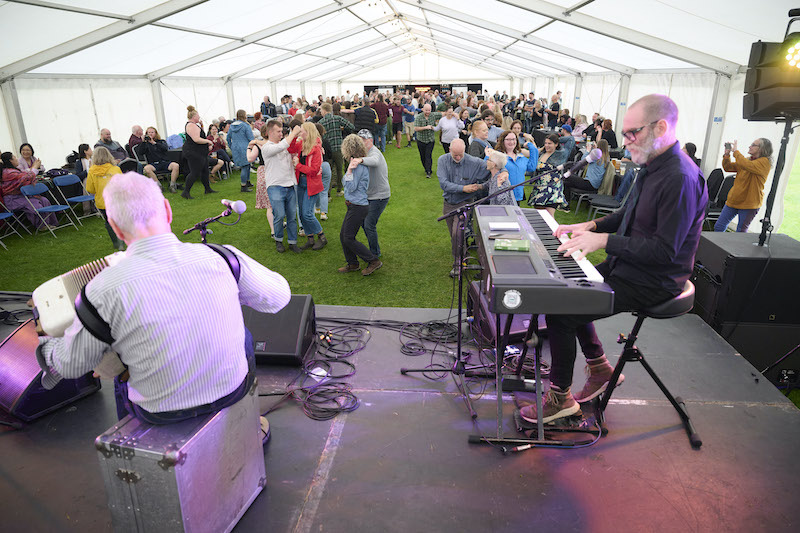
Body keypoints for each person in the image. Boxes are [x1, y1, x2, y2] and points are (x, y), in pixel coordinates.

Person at [36, 171, 290, 434]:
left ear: (114, 225)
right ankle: (247, 427)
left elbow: (70, 365)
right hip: (232, 390)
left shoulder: (99, 290)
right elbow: (279, 297)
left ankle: (134, 439)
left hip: (160, 412)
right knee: (244, 336)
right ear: (167, 210)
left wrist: (47, 347)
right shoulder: (223, 257)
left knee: (112, 360)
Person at [520, 94, 708, 424]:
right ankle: (600, 368)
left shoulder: (679, 178)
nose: (625, 141)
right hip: (631, 267)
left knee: (562, 311)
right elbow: (628, 214)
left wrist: (602, 240)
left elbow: (665, 251)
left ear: (660, 127)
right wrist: (590, 224)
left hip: (654, 279)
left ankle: (559, 399)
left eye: (632, 132)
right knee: (572, 289)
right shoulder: (652, 165)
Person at [436, 139, 490, 276]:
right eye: (455, 155)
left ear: (465, 150)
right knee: (454, 236)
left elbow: (494, 167)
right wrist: (463, 188)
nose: (458, 158)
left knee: (457, 233)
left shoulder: (474, 162)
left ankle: (458, 265)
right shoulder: (442, 160)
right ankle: (463, 256)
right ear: (449, 150)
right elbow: (444, 184)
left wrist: (483, 186)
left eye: (461, 154)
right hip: (448, 203)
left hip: (465, 203)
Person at [248, 121, 302, 253]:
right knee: (279, 215)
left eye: (282, 131)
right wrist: (294, 133)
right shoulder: (266, 147)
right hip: (275, 186)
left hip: (289, 184)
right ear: (270, 133)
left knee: (291, 216)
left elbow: (292, 148)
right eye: (278, 131)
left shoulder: (284, 144)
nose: (281, 133)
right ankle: (278, 240)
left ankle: (292, 242)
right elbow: (282, 146)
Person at [337, 134, 382, 276]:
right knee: (343, 235)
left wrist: (349, 171)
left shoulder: (356, 166)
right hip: (355, 205)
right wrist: (347, 175)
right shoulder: (356, 162)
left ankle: (373, 260)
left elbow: (350, 187)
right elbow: (347, 184)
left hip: (357, 206)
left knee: (348, 237)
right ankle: (353, 263)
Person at [714, 138, 772, 233]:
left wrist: (736, 151)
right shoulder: (747, 160)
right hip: (734, 200)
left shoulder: (764, 162)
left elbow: (746, 165)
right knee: (719, 226)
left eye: (753, 145)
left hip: (749, 204)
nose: (750, 146)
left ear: (762, 148)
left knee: (741, 233)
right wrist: (727, 155)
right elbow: (728, 167)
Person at [350, 129, 390, 258]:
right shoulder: (364, 153)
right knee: (364, 223)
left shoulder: (374, 152)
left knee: (369, 224)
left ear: (370, 141)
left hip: (379, 196)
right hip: (369, 196)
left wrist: (360, 160)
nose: (360, 143)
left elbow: (375, 161)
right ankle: (374, 250)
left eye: (363, 140)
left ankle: (374, 254)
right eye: (359, 141)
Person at [288, 122, 327, 251]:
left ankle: (321, 236)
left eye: (302, 130)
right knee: (302, 214)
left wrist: (298, 165)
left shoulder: (316, 149)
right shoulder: (302, 144)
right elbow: (290, 149)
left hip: (312, 184)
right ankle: (310, 238)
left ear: (308, 132)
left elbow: (314, 170)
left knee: (307, 214)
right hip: (301, 183)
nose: (301, 132)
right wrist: (294, 135)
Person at [1, 151, 56, 227]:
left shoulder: (14, 170)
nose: (16, 159)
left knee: (44, 200)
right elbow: (26, 177)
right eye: (14, 157)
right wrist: (34, 167)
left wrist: (34, 167)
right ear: (10, 160)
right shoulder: (8, 172)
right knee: (34, 204)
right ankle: (42, 226)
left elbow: (25, 174)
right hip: (12, 200)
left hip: (21, 196)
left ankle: (51, 223)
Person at [85, 146, 123, 250]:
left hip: (102, 202)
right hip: (116, 200)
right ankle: (123, 240)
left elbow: (90, 189)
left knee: (108, 221)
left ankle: (116, 243)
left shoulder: (92, 171)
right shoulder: (115, 169)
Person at [485, 130, 538, 204]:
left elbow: (532, 167)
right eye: (508, 139)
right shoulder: (498, 155)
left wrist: (530, 146)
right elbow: (486, 166)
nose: (511, 142)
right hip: (501, 195)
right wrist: (487, 156)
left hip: (517, 196)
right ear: (503, 141)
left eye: (513, 139)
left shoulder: (521, 157)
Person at [318, 102, 355, 196]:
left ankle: (328, 194)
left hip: (327, 150)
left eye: (321, 110)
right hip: (339, 147)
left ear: (324, 110)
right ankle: (339, 190)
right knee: (339, 170)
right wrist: (341, 129)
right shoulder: (337, 118)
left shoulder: (321, 123)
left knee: (328, 172)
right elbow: (351, 126)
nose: (321, 112)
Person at [528, 133, 569, 215]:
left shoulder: (559, 155)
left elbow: (570, 139)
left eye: (549, 143)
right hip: (540, 186)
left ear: (556, 144)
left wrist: (558, 138)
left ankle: (554, 228)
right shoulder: (541, 153)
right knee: (540, 214)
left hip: (553, 186)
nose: (547, 145)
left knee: (549, 216)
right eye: (546, 143)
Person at [181, 106, 216, 199]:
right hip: (193, 152)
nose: (199, 117)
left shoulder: (194, 125)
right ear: (194, 116)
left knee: (205, 170)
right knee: (194, 172)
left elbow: (200, 136)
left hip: (199, 152)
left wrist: (202, 126)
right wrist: (208, 141)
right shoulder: (191, 125)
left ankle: (207, 189)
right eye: (198, 115)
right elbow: (196, 139)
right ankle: (185, 192)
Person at [139, 126, 181, 192]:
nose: (150, 134)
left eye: (152, 132)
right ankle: (159, 186)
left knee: (176, 166)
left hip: (165, 162)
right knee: (147, 169)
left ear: (155, 133)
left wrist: (154, 143)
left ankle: (172, 185)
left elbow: (165, 148)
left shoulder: (161, 141)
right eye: (149, 132)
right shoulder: (145, 144)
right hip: (154, 164)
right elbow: (140, 152)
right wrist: (143, 142)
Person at [228, 109, 255, 193]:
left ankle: (247, 181)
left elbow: (228, 137)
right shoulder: (246, 126)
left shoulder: (231, 126)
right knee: (246, 166)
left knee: (246, 165)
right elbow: (250, 138)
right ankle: (243, 185)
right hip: (245, 147)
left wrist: (231, 146)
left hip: (235, 147)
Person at [414, 104, 442, 179]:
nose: (428, 112)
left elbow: (443, 114)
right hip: (421, 140)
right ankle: (426, 168)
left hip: (430, 140)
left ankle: (428, 171)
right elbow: (416, 128)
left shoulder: (433, 115)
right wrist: (425, 127)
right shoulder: (419, 117)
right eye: (426, 110)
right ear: (423, 109)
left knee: (428, 155)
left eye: (429, 110)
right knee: (422, 156)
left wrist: (453, 114)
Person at [314, 123, 332, 221]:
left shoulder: (311, 142)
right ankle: (323, 212)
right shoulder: (324, 141)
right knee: (324, 190)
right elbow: (330, 154)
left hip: (315, 165)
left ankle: (317, 208)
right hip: (325, 164)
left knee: (316, 189)